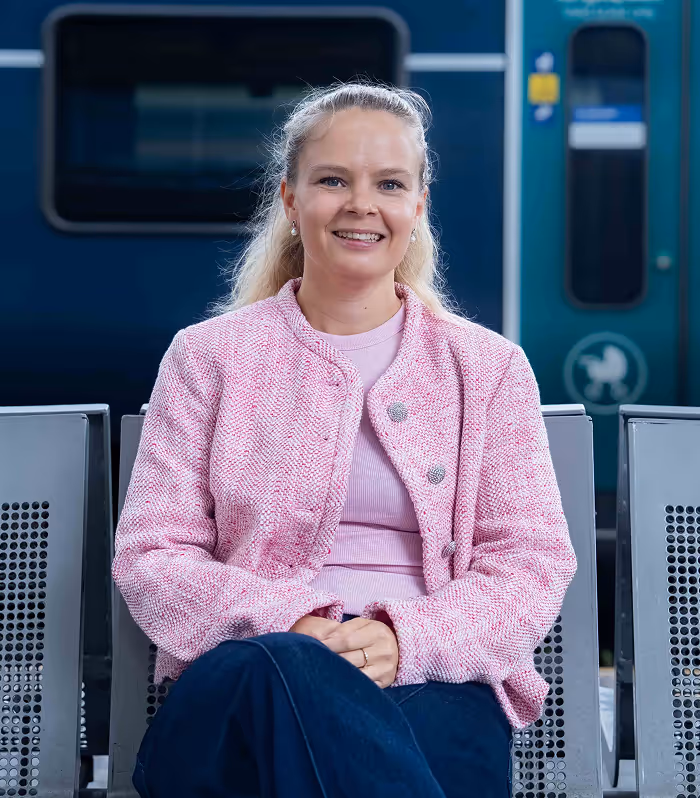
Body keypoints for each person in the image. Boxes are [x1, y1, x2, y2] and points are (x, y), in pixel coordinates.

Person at [112, 81, 577, 798]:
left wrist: (406, 640)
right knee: (282, 670)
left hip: (431, 678)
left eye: (389, 183)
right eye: (333, 180)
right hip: (239, 687)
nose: (362, 204)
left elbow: (530, 563)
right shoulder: (209, 357)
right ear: (291, 201)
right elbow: (151, 556)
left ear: (417, 207)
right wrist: (292, 622)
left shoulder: (485, 369)